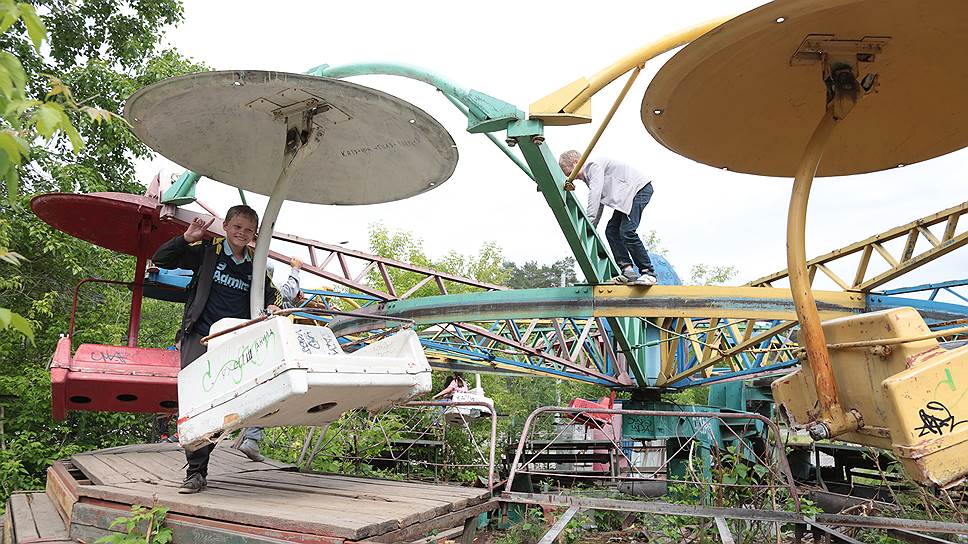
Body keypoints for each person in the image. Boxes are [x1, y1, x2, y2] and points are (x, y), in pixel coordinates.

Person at [152, 205, 281, 494]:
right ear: (225, 225)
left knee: (227, 404)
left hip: (233, 344)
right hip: (199, 337)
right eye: (237, 227)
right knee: (196, 404)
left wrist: (273, 305)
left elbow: (274, 294)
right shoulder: (208, 252)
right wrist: (186, 239)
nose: (242, 233)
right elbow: (162, 259)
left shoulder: (255, 266)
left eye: (248, 230)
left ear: (254, 234)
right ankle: (196, 472)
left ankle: (210, 460)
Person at [237, 257, 303, 462]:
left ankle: (251, 438)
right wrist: (295, 269)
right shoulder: (271, 292)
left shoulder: (243, 290)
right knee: (268, 392)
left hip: (244, 346)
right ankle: (252, 438)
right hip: (268, 348)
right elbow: (289, 292)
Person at [558, 150, 657, 286]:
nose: (573, 178)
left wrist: (589, 223)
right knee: (611, 231)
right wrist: (592, 226)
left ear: (576, 163)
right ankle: (628, 271)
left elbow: (595, 194)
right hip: (628, 197)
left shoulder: (592, 166)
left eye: (570, 173)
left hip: (639, 190)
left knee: (627, 231)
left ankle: (648, 273)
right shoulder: (590, 174)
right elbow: (598, 202)